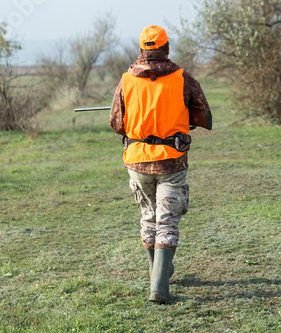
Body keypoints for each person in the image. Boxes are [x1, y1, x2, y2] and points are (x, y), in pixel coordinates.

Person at [109, 25, 211, 304]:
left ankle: (159, 273)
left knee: (148, 217)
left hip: (137, 161)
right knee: (167, 220)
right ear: (166, 49)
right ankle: (159, 286)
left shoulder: (126, 80)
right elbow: (203, 116)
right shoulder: (183, 78)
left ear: (142, 50)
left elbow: (117, 124)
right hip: (172, 163)